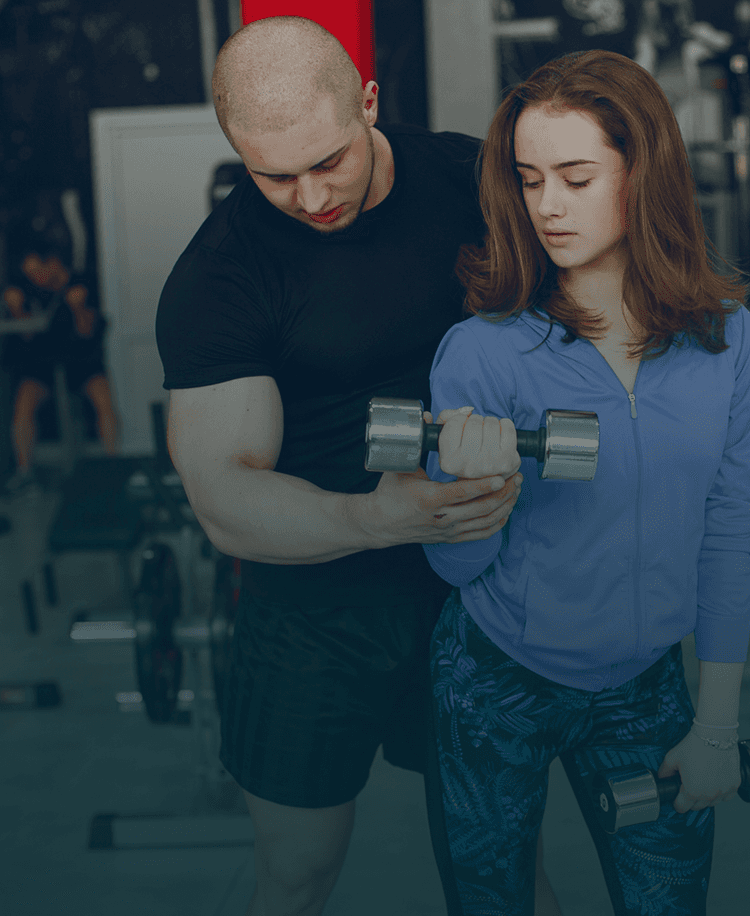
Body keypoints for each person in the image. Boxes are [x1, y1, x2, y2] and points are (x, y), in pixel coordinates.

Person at [154, 16, 563, 916]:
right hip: (312, 611)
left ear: (368, 102)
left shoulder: (477, 184)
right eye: (273, 175)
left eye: (327, 161)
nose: (308, 197)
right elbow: (224, 497)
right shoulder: (223, 274)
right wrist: (380, 518)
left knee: (500, 861)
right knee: (297, 869)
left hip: (477, 599)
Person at [420, 49, 750, 915]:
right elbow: (456, 572)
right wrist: (474, 492)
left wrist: (717, 726)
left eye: (576, 177)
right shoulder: (484, 349)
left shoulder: (727, 340)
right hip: (495, 676)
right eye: (530, 178)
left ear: (642, 175)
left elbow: (728, 532)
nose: (546, 205)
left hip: (644, 681)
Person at [1, 239, 119, 491]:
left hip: (81, 361)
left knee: (104, 400)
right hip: (44, 364)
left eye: (38, 272)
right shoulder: (29, 290)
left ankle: (114, 465)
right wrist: (17, 311)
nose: (36, 278)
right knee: (23, 406)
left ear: (54, 264)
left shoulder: (83, 283)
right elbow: (27, 335)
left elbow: (87, 332)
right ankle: (25, 474)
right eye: (30, 275)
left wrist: (78, 309)